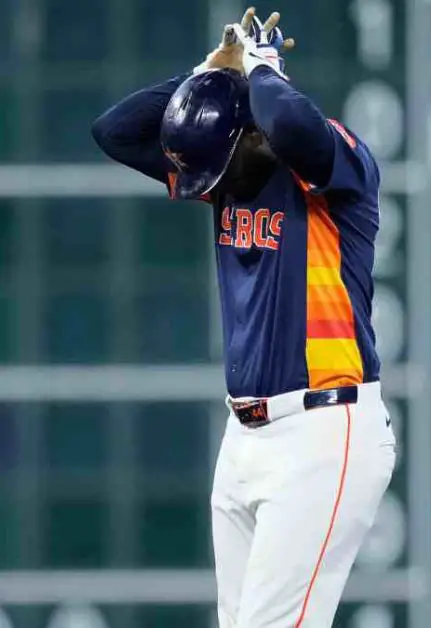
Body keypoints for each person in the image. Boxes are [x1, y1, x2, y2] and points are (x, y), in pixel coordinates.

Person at [92, 9, 395, 627]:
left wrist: (260, 68)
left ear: (251, 131)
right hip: (246, 438)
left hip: (323, 430)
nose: (208, 180)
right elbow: (115, 131)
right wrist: (211, 73)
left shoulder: (336, 169)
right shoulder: (227, 166)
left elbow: (288, 120)